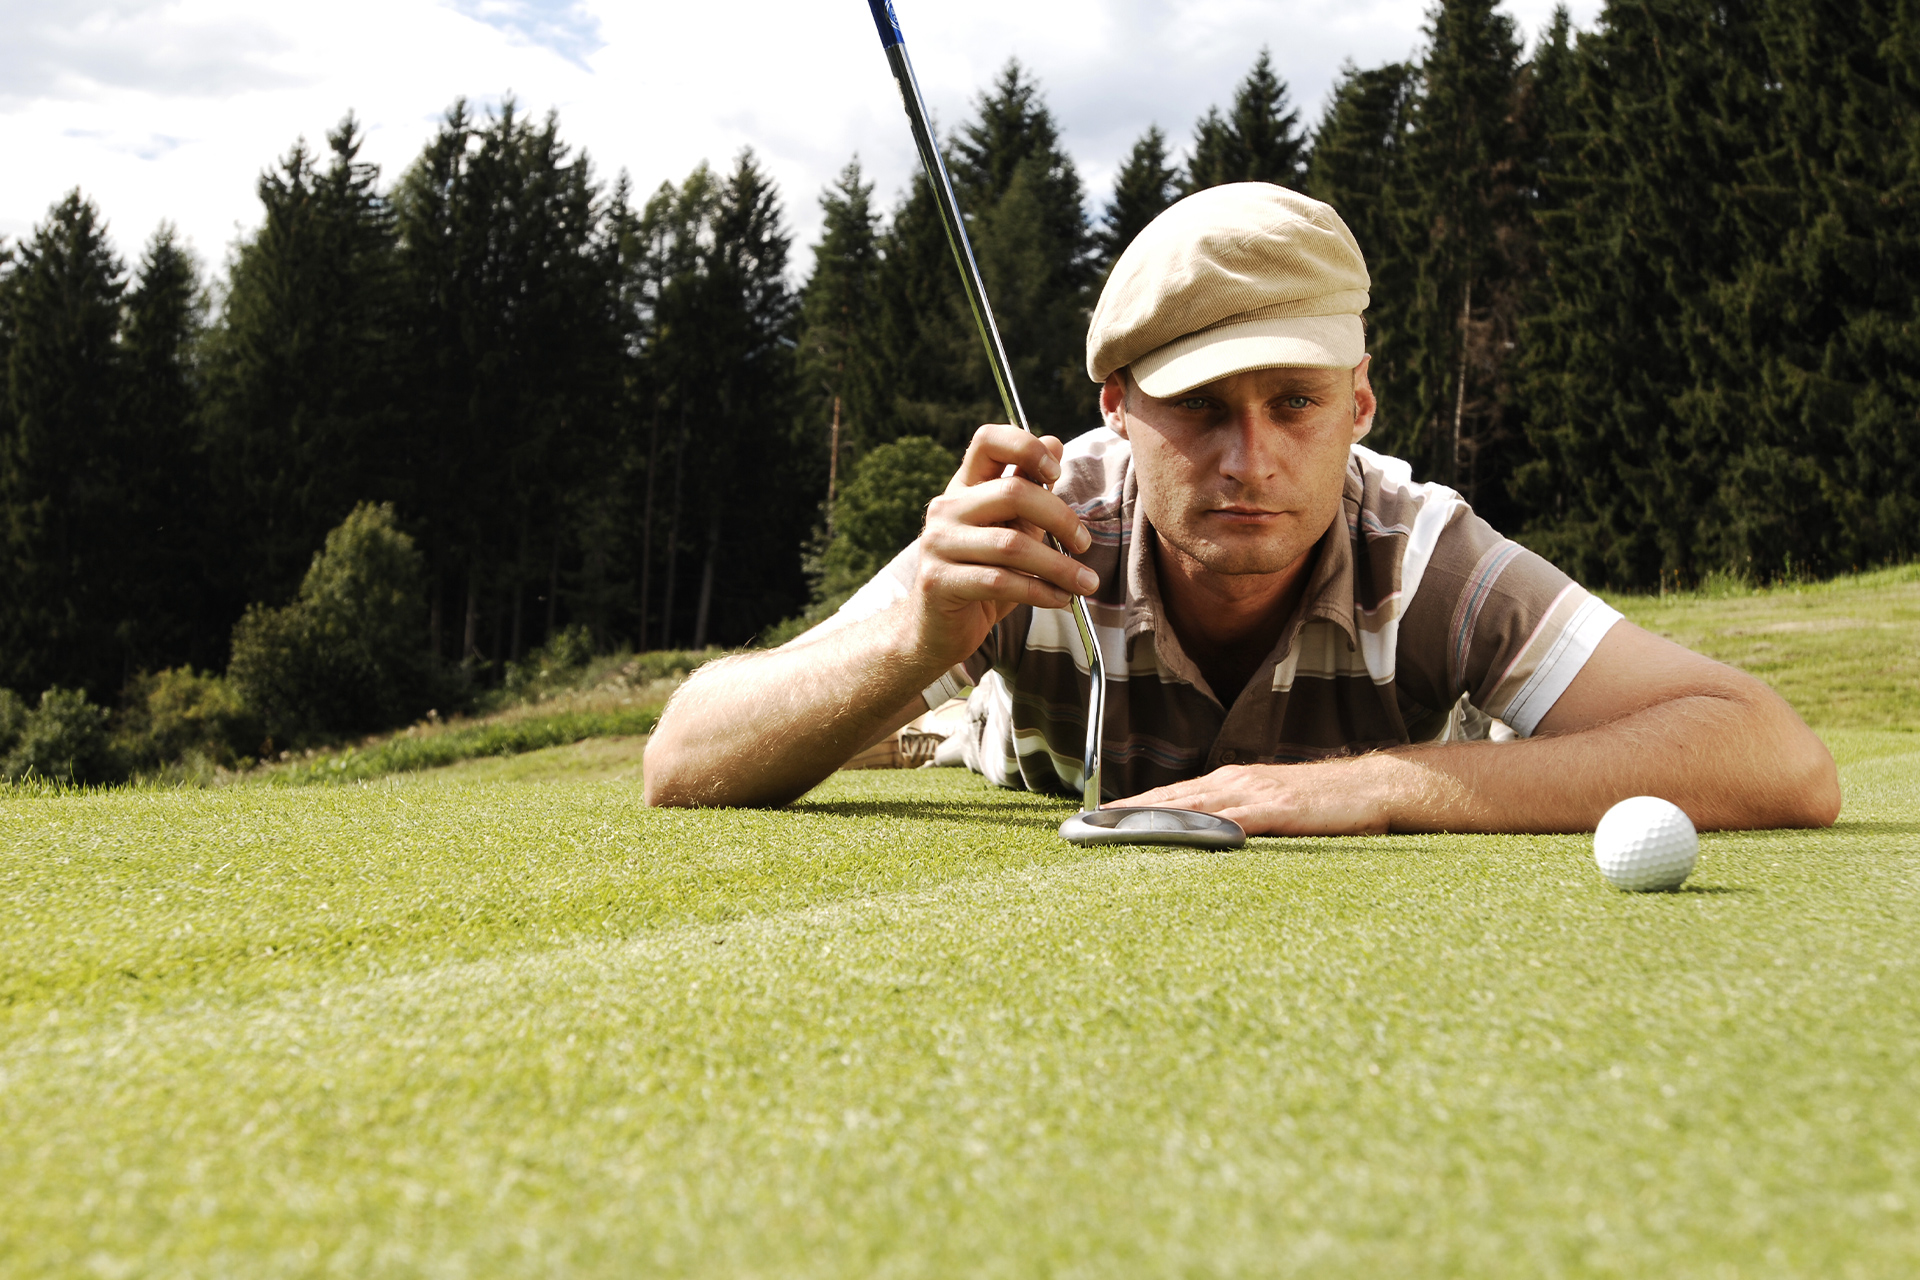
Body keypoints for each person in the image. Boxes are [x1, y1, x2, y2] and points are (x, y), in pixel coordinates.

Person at [645, 184, 1840, 835]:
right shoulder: (1038, 521)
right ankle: (949, 716)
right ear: (1117, 405)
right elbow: (682, 754)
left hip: (1358, 756)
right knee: (949, 732)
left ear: (1361, 402)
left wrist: (1370, 785)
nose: (1250, 458)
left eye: (1295, 402)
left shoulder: (1425, 552)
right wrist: (915, 637)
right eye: (1202, 406)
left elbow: (1774, 754)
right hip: (1028, 761)